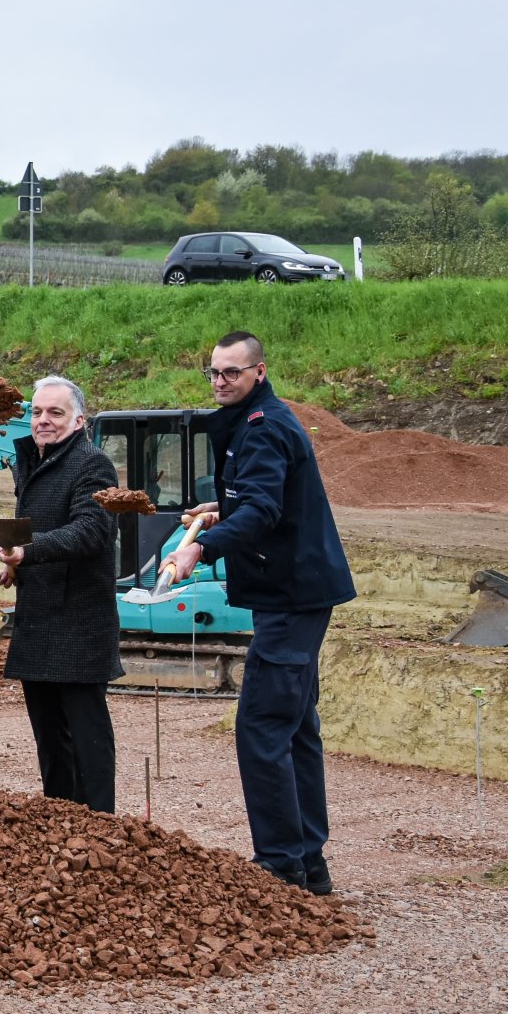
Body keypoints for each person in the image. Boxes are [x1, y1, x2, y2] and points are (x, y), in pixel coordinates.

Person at [163, 330, 355, 894]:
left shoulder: (263, 427)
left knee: (263, 726)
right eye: (215, 373)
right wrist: (225, 510)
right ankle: (308, 865)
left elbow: (267, 509)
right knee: (295, 727)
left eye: (233, 373)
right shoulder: (258, 422)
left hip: (293, 599)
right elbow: (267, 499)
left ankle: (280, 866)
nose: (221, 381)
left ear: (259, 372)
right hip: (297, 594)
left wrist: (202, 545)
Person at [0, 375, 122, 812]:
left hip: (79, 623)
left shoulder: (93, 464)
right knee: (50, 739)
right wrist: (13, 564)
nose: (43, 421)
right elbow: (35, 530)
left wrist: (26, 553)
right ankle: (60, 821)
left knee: (86, 738)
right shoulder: (33, 461)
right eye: (36, 412)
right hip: (39, 616)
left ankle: (100, 826)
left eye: (55, 413)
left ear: (79, 420)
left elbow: (91, 531)